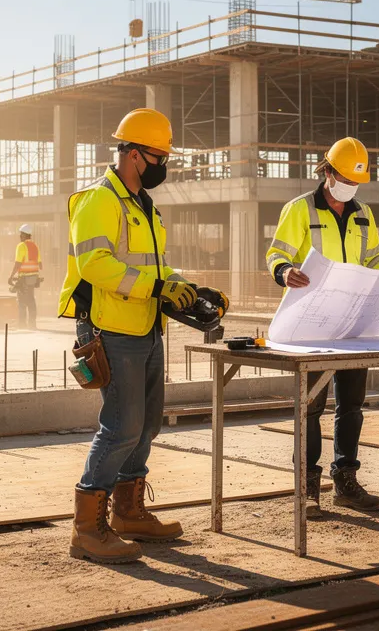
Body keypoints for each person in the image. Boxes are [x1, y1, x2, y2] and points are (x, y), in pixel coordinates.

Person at [58, 107, 230, 564]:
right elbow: (94, 265)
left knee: (148, 424)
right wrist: (157, 287)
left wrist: (189, 288)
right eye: (158, 156)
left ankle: (128, 512)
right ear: (133, 154)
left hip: (147, 327)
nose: (163, 165)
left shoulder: (142, 205)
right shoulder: (100, 200)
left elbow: (151, 267)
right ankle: (86, 530)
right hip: (112, 329)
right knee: (120, 428)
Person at [266, 137, 379, 519]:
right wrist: (285, 271)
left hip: (353, 325)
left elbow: (374, 258)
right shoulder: (299, 210)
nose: (350, 188)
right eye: (345, 179)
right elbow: (277, 253)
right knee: (311, 408)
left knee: (351, 407)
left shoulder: (363, 214)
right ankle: (306, 487)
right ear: (328, 172)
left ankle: (345, 482)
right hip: (313, 327)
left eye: (357, 182)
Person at [8, 224, 42, 329]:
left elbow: (18, 263)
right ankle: (32, 324)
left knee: (22, 301)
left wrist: (11, 276)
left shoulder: (21, 246)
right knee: (31, 300)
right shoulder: (35, 246)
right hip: (33, 278)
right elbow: (40, 264)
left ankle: (22, 324)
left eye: (20, 234)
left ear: (23, 234)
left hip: (24, 278)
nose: (19, 236)